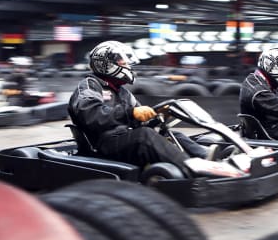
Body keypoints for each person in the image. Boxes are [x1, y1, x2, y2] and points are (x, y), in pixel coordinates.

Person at [68, 40, 217, 173]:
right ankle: (192, 168)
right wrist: (131, 113)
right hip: (102, 144)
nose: (127, 66)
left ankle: (209, 158)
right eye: (123, 63)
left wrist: (157, 117)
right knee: (144, 136)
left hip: (121, 138)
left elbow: (139, 119)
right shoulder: (90, 86)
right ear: (106, 64)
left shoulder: (122, 92)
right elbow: (92, 116)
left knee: (168, 134)